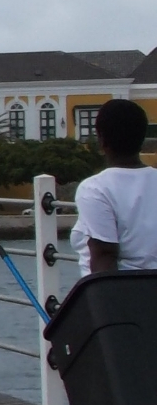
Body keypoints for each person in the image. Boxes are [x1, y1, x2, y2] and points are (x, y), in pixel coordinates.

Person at [75, 99, 157, 275]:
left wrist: (104, 302)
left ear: (102, 139)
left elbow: (104, 255)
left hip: (122, 294)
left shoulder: (95, 189)